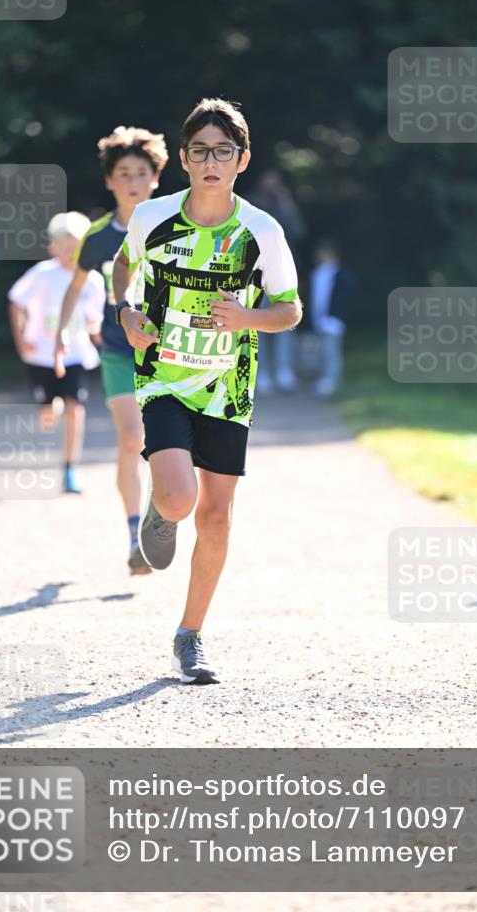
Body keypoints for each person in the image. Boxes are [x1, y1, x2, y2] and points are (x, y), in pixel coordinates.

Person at [112, 98, 302, 685]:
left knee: (216, 517)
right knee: (178, 500)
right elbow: (123, 267)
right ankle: (160, 510)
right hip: (164, 374)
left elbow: (290, 310)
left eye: (224, 151)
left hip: (229, 386)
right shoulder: (152, 217)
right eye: (201, 151)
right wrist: (125, 312)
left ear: (242, 160)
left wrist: (248, 319)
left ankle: (189, 637)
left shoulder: (261, 230)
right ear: (185, 158)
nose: (211, 161)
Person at [54, 126, 168, 571]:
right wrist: (62, 334)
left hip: (169, 351)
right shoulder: (98, 236)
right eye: (124, 173)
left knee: (168, 443)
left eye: (141, 172)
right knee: (131, 437)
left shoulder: (172, 224)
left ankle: (165, 510)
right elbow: (74, 289)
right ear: (109, 180)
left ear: (156, 177)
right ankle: (134, 534)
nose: (133, 181)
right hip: (120, 351)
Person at [8, 212, 104, 493]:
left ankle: (70, 468)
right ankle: (53, 406)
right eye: (66, 246)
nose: (71, 252)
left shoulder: (93, 281)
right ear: (54, 246)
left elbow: (95, 319)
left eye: (77, 247)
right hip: (41, 355)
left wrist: (101, 335)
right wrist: (21, 337)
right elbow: (15, 302)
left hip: (74, 355)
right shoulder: (42, 274)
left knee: (75, 407)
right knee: (49, 413)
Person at [248, 169, 307, 394]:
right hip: (255, 271)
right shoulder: (250, 204)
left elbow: (300, 232)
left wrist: (286, 203)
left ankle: (284, 370)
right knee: (258, 322)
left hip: (283, 271)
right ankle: (262, 372)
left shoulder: (284, 205)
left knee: (286, 320)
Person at [309, 238, 355, 397]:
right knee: (321, 352)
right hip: (319, 320)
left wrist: (335, 316)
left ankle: (331, 381)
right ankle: (323, 379)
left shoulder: (341, 275)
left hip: (332, 321)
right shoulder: (317, 273)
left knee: (331, 352)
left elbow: (344, 298)